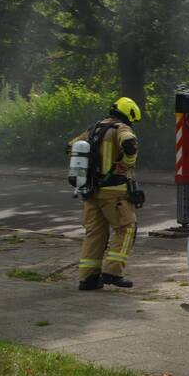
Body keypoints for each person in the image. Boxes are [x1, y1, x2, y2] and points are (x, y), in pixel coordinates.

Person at [69, 97, 141, 291]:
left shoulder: (93, 129)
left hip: (91, 191)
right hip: (114, 192)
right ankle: (113, 271)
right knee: (127, 229)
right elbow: (130, 144)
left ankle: (88, 279)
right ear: (129, 114)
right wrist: (125, 164)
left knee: (95, 234)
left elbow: (71, 146)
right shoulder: (121, 129)